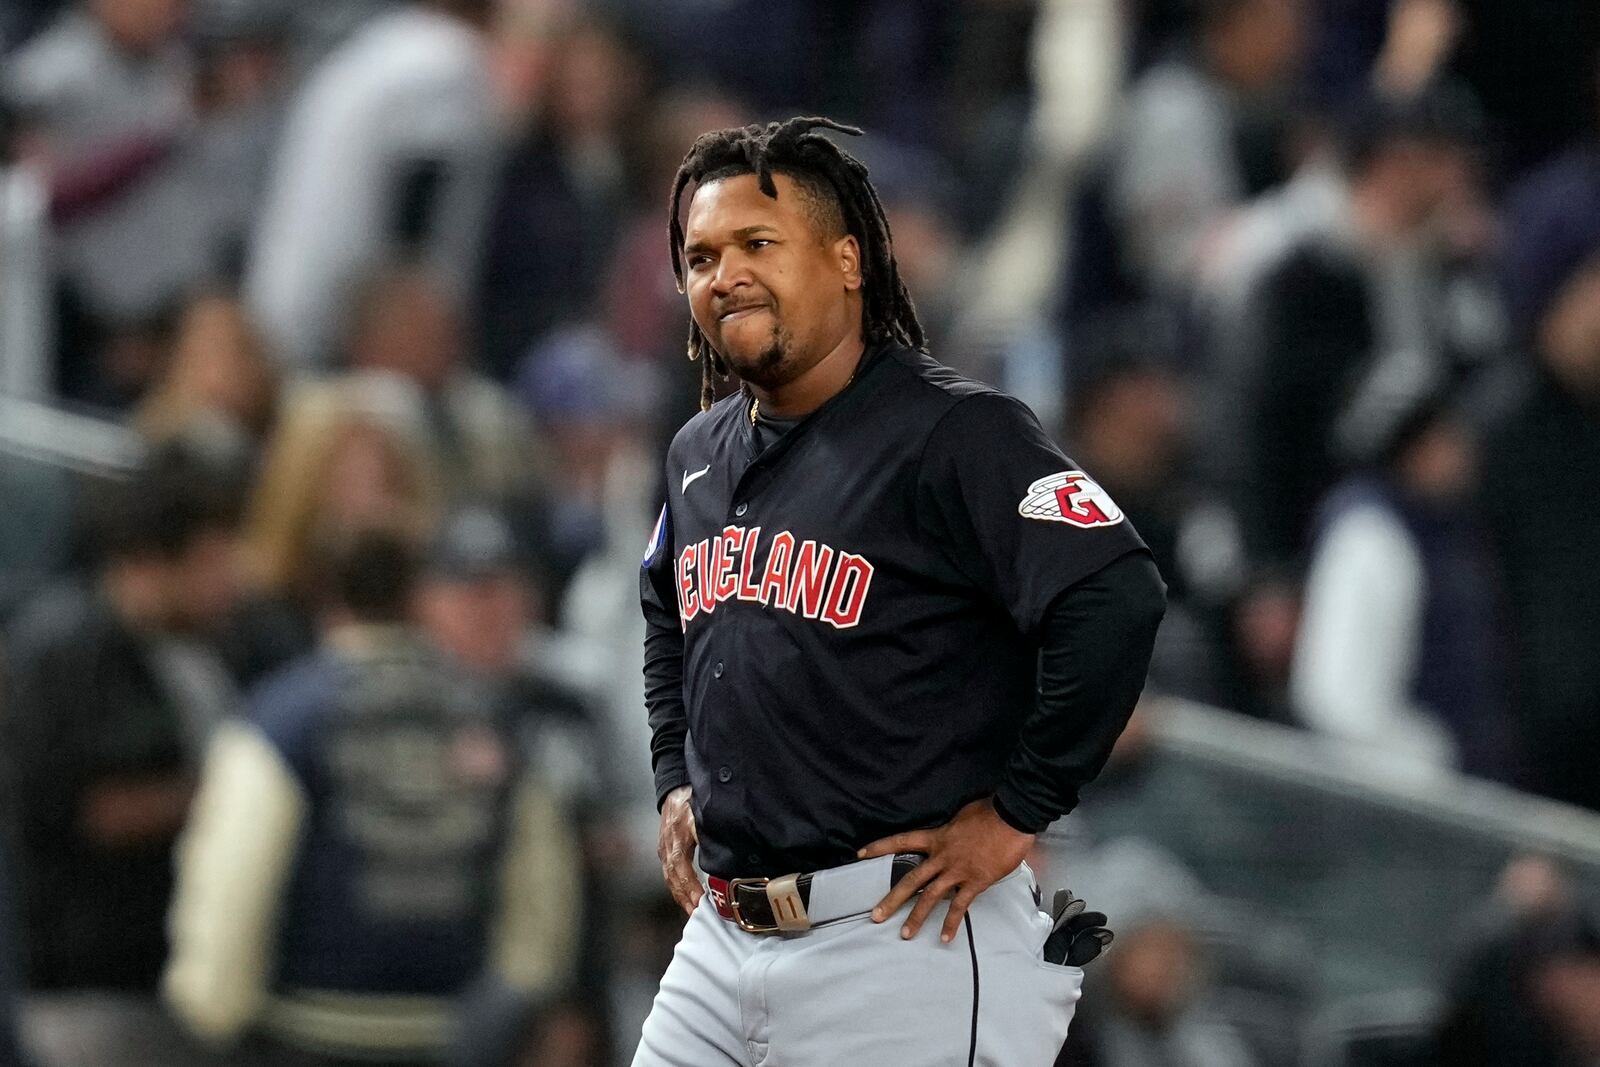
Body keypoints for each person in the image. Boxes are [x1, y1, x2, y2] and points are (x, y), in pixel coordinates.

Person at [636, 117, 1166, 1066]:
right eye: (701, 255)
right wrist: (677, 775)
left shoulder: (958, 435)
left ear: (847, 261)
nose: (725, 275)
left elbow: (1114, 594)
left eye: (759, 244)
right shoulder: (697, 453)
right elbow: (664, 614)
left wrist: (1017, 811)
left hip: (899, 937)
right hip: (721, 940)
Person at [164, 528, 582, 1065]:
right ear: (418, 598)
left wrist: (213, 1007)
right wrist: (512, 1002)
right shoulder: (489, 720)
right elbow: (541, 903)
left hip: (303, 1030)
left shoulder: (280, 719)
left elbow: (235, 877)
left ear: (324, 599)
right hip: (449, 1033)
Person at [0, 447, 243, 1066]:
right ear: (152, 559)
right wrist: (230, 796)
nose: (230, 581)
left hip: (183, 985)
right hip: (87, 997)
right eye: (211, 562)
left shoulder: (211, 652)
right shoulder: (58, 655)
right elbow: (74, 812)